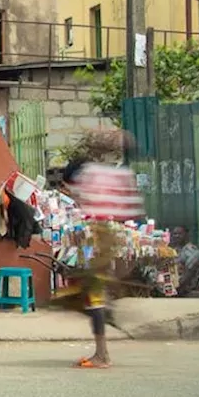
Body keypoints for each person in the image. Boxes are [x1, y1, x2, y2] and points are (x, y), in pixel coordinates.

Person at [59, 129, 143, 370]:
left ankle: (102, 354)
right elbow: (131, 208)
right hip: (108, 239)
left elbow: (91, 208)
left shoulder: (92, 174)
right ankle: (101, 346)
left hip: (101, 240)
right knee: (89, 296)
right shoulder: (117, 174)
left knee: (91, 298)